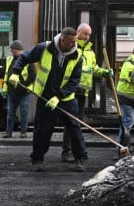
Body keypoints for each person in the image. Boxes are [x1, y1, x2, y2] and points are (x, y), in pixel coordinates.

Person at [8, 27, 88, 172]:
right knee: (42, 129)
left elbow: (74, 82)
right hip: (45, 96)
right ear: (63, 40)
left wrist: (59, 97)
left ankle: (80, 159)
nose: (74, 45)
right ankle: (37, 160)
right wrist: (15, 72)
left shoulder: (77, 56)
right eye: (71, 42)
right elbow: (25, 57)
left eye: (75, 41)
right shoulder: (44, 48)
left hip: (66, 99)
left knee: (74, 128)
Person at [61, 23, 114, 163]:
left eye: (89, 34)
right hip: (71, 91)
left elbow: (93, 68)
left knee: (77, 122)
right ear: (78, 32)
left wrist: (104, 73)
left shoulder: (90, 52)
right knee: (70, 122)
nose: (87, 37)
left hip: (83, 91)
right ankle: (66, 152)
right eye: (85, 34)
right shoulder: (71, 48)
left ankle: (74, 150)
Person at [1, 40, 36, 138]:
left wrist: (24, 84)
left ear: (18, 50)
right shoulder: (9, 59)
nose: (11, 51)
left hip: (24, 92)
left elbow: (33, 75)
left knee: (24, 113)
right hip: (11, 92)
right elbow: (6, 75)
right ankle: (9, 132)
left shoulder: (28, 60)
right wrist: (4, 89)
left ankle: (23, 132)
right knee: (10, 113)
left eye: (13, 49)